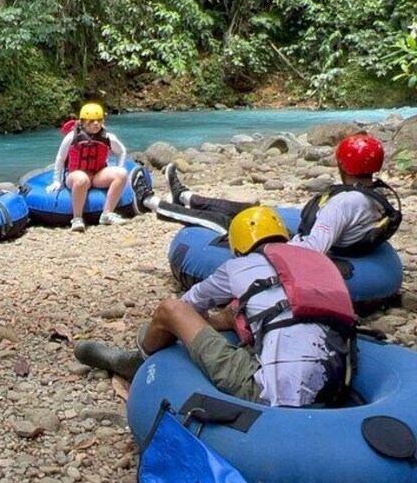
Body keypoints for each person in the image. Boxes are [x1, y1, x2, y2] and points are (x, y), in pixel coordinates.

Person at [79, 206, 355, 407]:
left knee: (169, 310)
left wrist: (206, 320)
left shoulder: (237, 266)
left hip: (268, 394)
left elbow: (187, 305)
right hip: (337, 382)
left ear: (238, 247)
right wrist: (227, 319)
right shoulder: (316, 261)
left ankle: (136, 361)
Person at [129, 133, 401, 256]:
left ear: (342, 165)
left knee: (224, 224)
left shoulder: (343, 204)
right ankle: (187, 197)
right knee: (251, 208)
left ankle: (150, 203)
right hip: (328, 233)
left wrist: (271, 244)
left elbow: (314, 249)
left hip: (297, 246)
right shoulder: (373, 194)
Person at [47, 103, 130, 231]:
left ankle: (107, 214)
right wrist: (56, 180)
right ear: (82, 122)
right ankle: (77, 218)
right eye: (91, 121)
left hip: (97, 175)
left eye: (99, 120)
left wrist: (120, 166)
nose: (96, 124)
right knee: (81, 179)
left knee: (122, 173)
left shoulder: (108, 137)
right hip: (75, 175)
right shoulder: (72, 137)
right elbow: (60, 158)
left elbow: (121, 151)